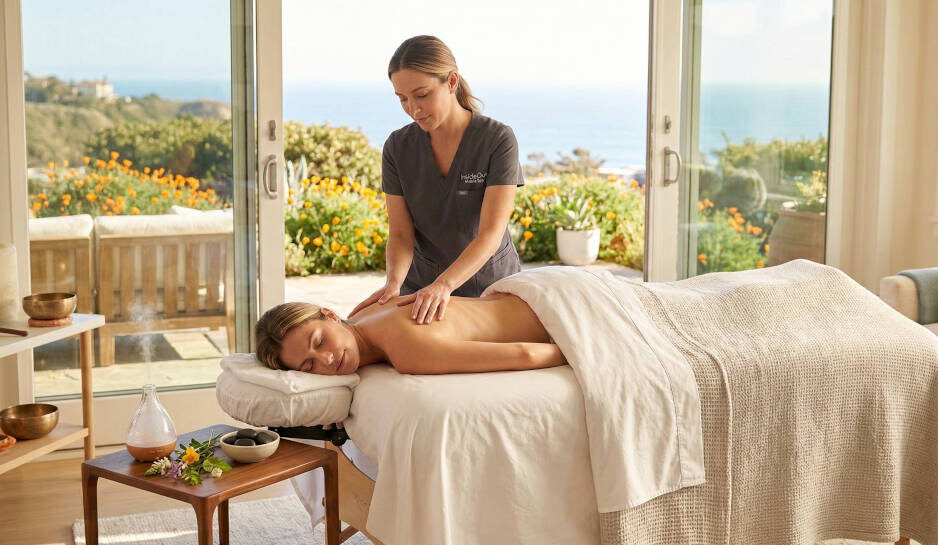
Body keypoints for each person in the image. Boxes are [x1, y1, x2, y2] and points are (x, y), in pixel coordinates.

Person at [349, 35, 525, 326]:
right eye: (402, 98)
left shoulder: (497, 139)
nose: (413, 109)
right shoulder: (397, 147)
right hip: (422, 291)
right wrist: (393, 284)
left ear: (452, 81)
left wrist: (444, 285)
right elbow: (402, 234)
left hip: (491, 290)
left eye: (422, 95)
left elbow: (490, 234)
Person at [255, 296, 566, 376]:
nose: (326, 360)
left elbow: (526, 355)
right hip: (534, 295)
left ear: (331, 314)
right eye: (310, 367)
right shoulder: (369, 310)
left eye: (319, 342)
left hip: (559, 316)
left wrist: (582, 352)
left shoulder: (407, 351)